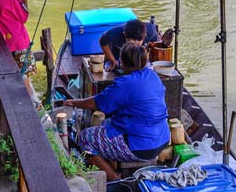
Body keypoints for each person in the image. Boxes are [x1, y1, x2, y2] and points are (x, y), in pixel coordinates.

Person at [66, 43, 171, 180]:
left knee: (86, 137)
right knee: (106, 124)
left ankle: (115, 179)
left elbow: (97, 103)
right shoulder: (152, 75)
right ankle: (110, 161)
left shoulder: (125, 83)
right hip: (163, 137)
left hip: (140, 146)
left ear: (122, 63)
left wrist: (73, 103)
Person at [99, 18, 173, 72]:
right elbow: (102, 41)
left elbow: (154, 43)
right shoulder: (114, 33)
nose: (136, 44)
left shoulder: (151, 31)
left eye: (139, 41)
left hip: (139, 55)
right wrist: (113, 61)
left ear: (145, 36)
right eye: (133, 41)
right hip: (118, 54)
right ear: (124, 35)